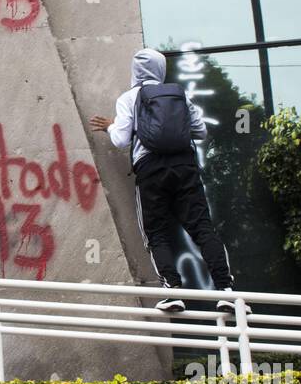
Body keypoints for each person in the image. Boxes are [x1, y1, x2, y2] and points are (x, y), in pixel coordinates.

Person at [90, 48, 244, 314]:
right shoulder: (180, 96)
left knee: (156, 232)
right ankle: (226, 291)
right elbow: (202, 132)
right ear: (161, 70)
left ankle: (173, 290)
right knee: (203, 229)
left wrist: (112, 126)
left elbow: (120, 140)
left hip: (151, 171)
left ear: (135, 71)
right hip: (184, 166)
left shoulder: (129, 98)